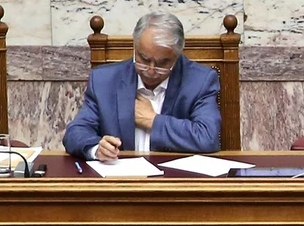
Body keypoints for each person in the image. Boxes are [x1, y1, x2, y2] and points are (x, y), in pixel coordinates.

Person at [62, 12, 222, 163]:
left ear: (177, 56)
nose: (151, 71)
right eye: (144, 59)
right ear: (134, 48)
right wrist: (97, 148)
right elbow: (75, 132)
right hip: (120, 183)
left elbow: (208, 137)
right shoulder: (104, 81)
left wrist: (153, 121)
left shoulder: (200, 81)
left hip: (175, 184)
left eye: (162, 63)